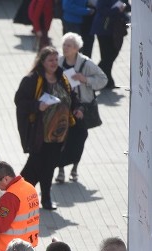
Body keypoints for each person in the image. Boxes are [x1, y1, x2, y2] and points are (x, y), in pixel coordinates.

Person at [14, 47, 82, 211]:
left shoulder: (62, 77)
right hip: (40, 134)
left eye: (55, 59)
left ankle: (44, 199)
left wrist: (78, 108)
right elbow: (20, 102)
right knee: (34, 166)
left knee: (49, 166)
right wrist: (38, 106)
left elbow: (72, 96)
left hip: (59, 135)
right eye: (50, 60)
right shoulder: (32, 80)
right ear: (42, 61)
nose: (54, 63)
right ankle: (17, 196)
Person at [56, 33, 107, 184]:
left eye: (69, 45)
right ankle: (60, 170)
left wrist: (85, 79)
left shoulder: (86, 63)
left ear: (77, 48)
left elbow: (103, 79)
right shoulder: (58, 61)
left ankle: (75, 168)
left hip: (82, 108)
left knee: (79, 139)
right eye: (64, 44)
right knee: (61, 139)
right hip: (63, 107)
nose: (65, 48)